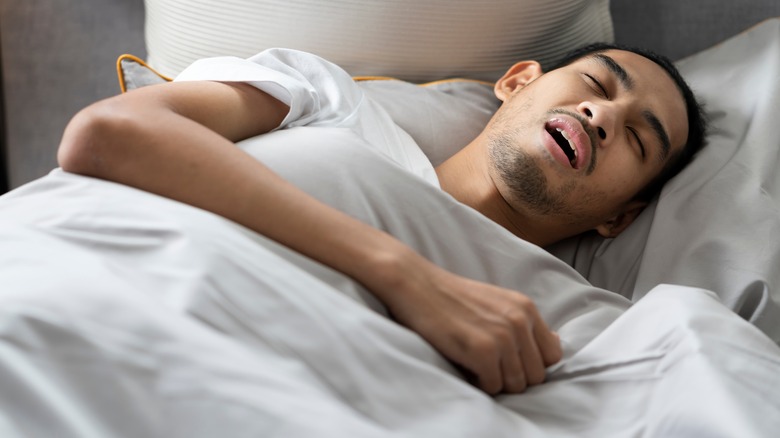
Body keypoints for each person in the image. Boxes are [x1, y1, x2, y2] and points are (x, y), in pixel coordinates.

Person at [56, 42, 707, 396]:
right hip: (101, 310)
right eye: (596, 85)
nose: (605, 116)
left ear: (621, 218)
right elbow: (110, 134)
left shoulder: (558, 319)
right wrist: (405, 276)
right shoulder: (328, 103)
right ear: (516, 81)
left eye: (639, 139)